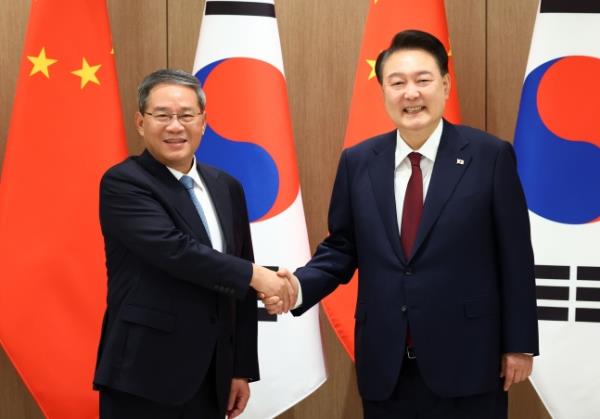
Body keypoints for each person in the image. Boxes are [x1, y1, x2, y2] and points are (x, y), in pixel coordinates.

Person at [266, 30, 539, 418]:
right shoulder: (358, 162)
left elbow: (515, 256)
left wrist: (519, 344)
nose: (411, 93)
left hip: (469, 361)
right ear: (383, 92)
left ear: (445, 85)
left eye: (422, 80)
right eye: (397, 83)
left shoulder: (489, 157)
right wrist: (297, 286)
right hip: (386, 365)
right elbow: (342, 248)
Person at [93, 69, 295, 419]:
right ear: (141, 122)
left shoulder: (226, 186)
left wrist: (240, 368)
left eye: (186, 115)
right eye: (162, 115)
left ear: (203, 122)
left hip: (212, 376)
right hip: (144, 375)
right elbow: (176, 251)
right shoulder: (124, 183)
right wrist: (258, 276)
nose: (175, 126)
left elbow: (240, 278)